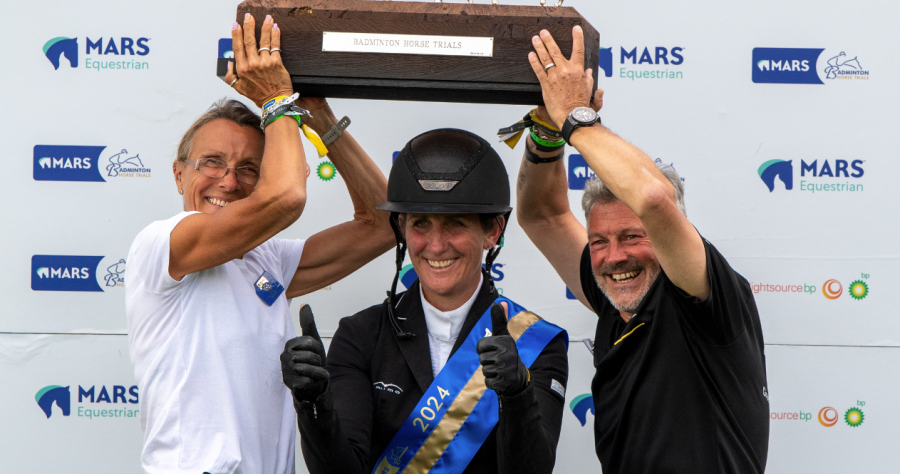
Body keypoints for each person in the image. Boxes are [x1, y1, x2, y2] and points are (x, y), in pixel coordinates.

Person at [125, 13, 394, 474]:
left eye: (250, 167)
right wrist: (275, 100)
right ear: (178, 174)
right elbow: (286, 195)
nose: (229, 181)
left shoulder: (268, 259)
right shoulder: (161, 243)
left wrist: (319, 116)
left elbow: (385, 222)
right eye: (212, 162)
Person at [514, 27, 769, 473]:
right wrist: (548, 132)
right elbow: (543, 216)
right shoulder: (617, 301)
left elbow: (652, 198)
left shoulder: (698, 296)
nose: (615, 257)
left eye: (632, 236)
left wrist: (575, 116)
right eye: (599, 241)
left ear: (671, 232)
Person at [281, 128, 569, 474]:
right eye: (420, 224)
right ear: (401, 227)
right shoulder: (360, 335)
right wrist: (313, 402)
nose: (435, 245)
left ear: (493, 231)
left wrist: (517, 393)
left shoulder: (535, 342)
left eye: (455, 224)